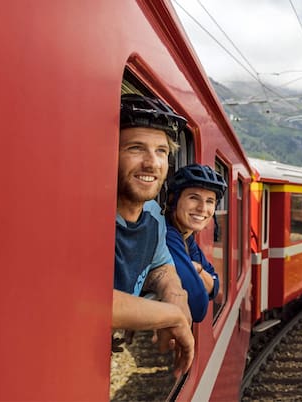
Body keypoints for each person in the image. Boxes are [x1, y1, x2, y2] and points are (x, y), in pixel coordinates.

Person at [113, 93, 194, 377]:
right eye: (136, 148)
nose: (152, 163)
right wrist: (171, 315)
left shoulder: (152, 214)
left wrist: (174, 293)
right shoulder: (87, 215)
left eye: (161, 151)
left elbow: (160, 265)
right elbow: (83, 301)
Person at [164, 164, 226, 323]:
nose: (202, 208)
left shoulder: (187, 238)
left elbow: (215, 287)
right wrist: (199, 270)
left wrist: (195, 268)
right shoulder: (168, 236)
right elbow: (198, 306)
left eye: (210, 201)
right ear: (173, 200)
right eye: (193, 198)